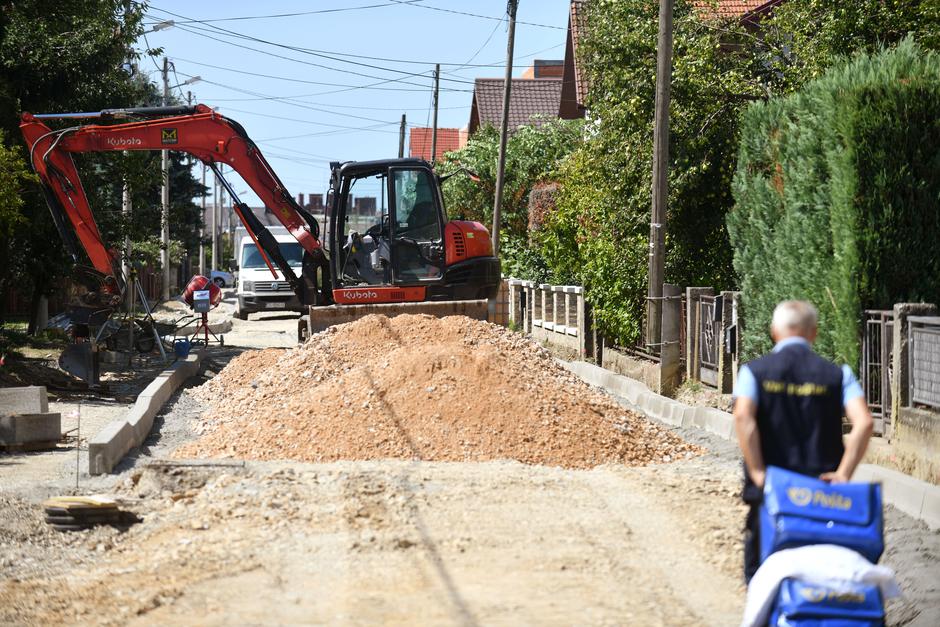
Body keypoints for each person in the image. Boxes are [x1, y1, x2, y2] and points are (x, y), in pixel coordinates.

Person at [732, 300, 874, 583]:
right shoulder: (839, 375)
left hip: (774, 497)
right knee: (820, 583)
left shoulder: (753, 372)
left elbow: (743, 417)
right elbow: (865, 422)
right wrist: (844, 473)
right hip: (823, 498)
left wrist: (759, 473)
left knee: (763, 581)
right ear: (814, 333)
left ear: (774, 332)